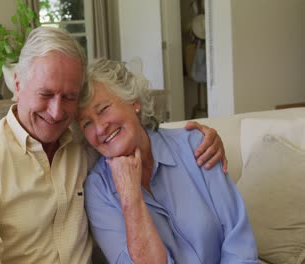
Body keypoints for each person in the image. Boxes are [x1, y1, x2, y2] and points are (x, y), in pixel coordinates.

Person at [0, 27, 227, 263]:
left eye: (69, 97)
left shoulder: (85, 146)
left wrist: (202, 137)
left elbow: (134, 131)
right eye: (45, 94)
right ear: (18, 85)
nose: (57, 112)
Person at [77, 58, 258, 264]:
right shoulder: (98, 190)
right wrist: (130, 198)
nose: (100, 128)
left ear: (134, 101)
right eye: (87, 123)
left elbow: (239, 242)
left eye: (103, 109)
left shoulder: (195, 145)